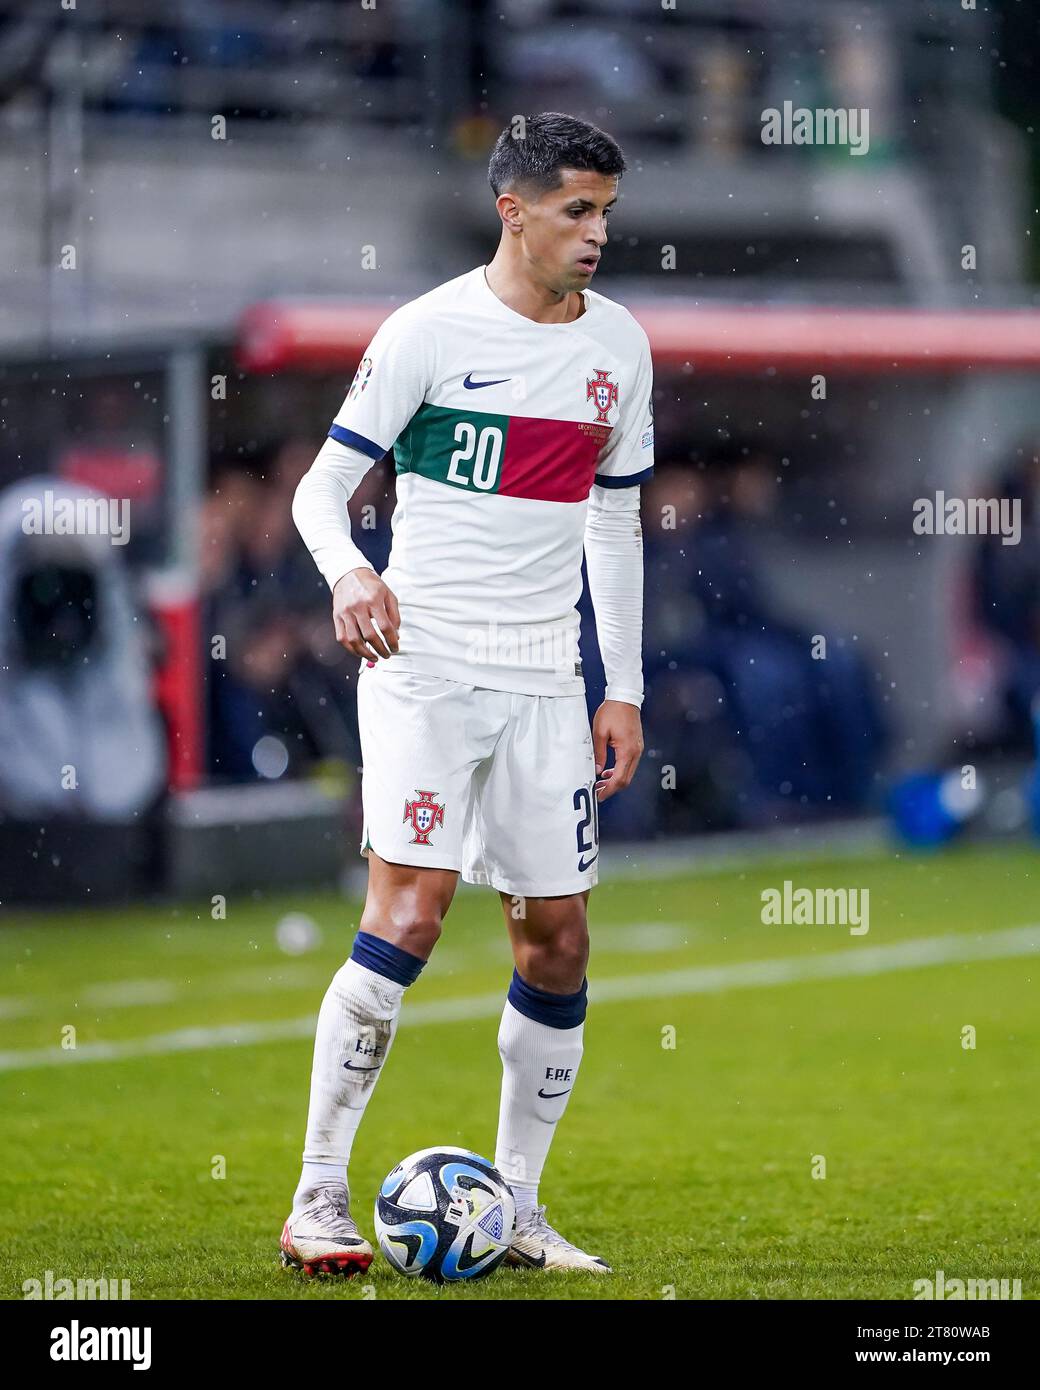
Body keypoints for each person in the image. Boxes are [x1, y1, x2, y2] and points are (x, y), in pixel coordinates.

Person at [285, 112, 653, 1276]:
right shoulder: (425, 332)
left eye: (606, 211)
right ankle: (315, 1198)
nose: (597, 233)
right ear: (514, 209)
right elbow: (317, 491)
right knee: (410, 912)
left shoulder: (619, 350)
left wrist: (620, 685)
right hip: (425, 662)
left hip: (548, 674)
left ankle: (523, 1208)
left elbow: (614, 517)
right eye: (576, 210)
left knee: (557, 940)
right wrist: (349, 571)